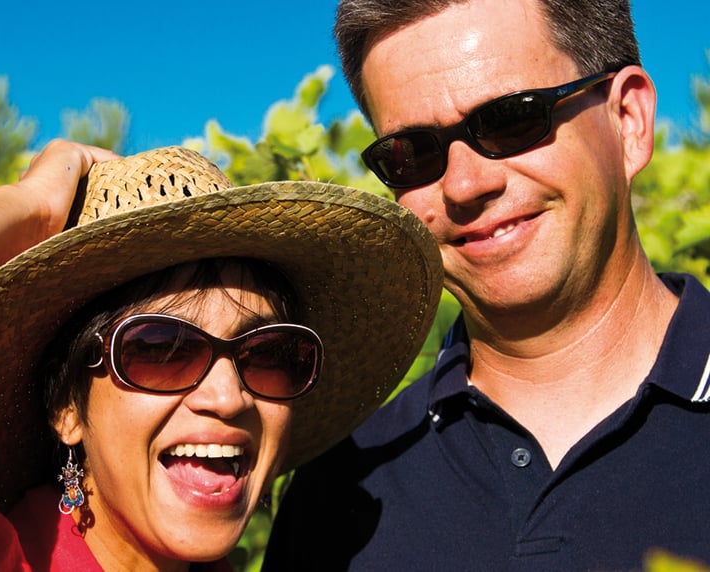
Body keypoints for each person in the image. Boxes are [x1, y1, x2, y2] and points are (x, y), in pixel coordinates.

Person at [263, 0, 710, 570]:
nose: (465, 185)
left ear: (628, 120)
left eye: (510, 120)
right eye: (413, 154)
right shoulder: (341, 491)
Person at [0, 141, 443, 570]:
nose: (229, 397)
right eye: (160, 349)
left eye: (268, 353)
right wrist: (29, 206)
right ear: (66, 406)